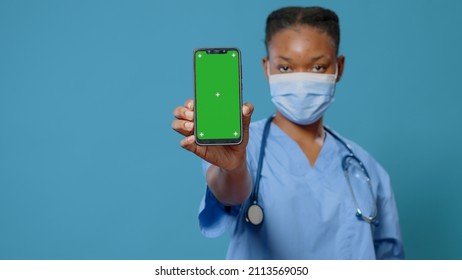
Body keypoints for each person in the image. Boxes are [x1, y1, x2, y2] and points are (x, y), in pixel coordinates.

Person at [172, 6, 404, 259]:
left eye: (317, 68)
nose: (301, 80)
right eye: (285, 68)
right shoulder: (239, 148)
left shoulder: (367, 169)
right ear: (266, 67)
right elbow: (231, 192)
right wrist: (234, 167)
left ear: (339, 67)